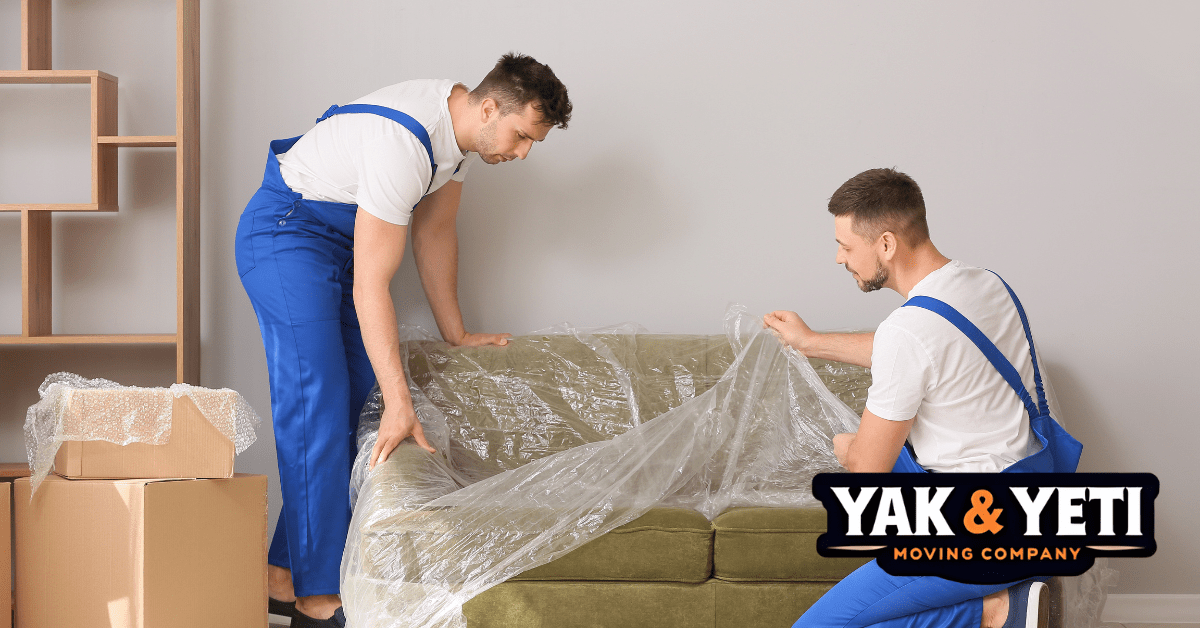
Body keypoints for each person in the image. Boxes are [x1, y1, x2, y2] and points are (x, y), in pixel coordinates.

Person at [234, 53, 572, 628]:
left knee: (353, 403)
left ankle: (281, 573)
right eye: (520, 136)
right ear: (489, 107)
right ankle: (316, 598)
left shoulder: (456, 135)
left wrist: (455, 332)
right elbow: (372, 285)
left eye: (531, 143)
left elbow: (435, 231)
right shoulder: (404, 142)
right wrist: (401, 403)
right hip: (287, 236)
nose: (521, 153)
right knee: (317, 401)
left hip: (334, 250)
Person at [763, 168, 1080, 628]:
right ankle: (1001, 609)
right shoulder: (985, 284)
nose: (839, 258)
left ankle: (996, 611)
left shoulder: (908, 332)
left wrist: (844, 444)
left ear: (886, 244)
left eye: (847, 246)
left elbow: (867, 470)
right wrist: (810, 341)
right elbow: (926, 349)